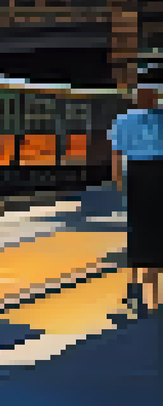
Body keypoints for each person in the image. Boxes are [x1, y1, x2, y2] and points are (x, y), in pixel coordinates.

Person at [110, 81, 163, 315]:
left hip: (136, 173)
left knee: (137, 225)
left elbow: (116, 153)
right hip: (159, 170)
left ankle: (137, 284)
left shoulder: (122, 120)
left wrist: (119, 181)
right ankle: (153, 289)